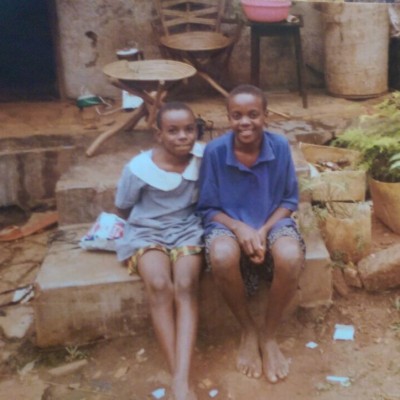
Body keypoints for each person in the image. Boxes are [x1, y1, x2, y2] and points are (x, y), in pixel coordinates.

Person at [197, 84, 305, 383]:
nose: (245, 122)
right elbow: (207, 208)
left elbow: (288, 202)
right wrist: (239, 227)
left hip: (273, 221)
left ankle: (269, 336)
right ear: (228, 118)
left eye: (253, 114)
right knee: (221, 255)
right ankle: (247, 329)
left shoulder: (280, 146)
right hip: (227, 224)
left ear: (266, 117)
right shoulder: (215, 152)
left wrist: (263, 230)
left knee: (289, 254)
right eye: (237, 115)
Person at [115, 101, 204, 400]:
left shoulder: (203, 159)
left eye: (189, 129)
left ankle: (180, 378)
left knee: (186, 284)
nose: (183, 137)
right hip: (146, 230)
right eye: (173, 131)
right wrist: (146, 232)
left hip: (187, 229)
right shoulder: (139, 169)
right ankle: (180, 378)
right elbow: (123, 208)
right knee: (158, 283)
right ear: (158, 134)